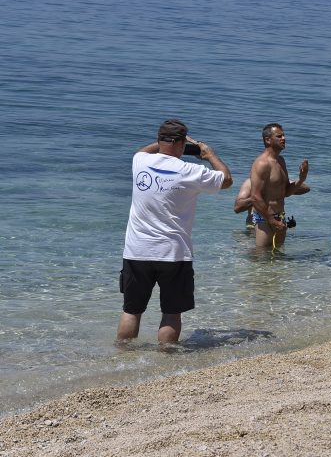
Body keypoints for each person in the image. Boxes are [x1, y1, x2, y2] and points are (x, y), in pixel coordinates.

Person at [117, 119, 233, 343]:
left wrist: (162, 143)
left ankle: (122, 358)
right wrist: (208, 154)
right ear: (181, 143)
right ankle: (166, 361)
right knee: (171, 313)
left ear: (160, 140)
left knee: (132, 310)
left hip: (136, 251)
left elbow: (142, 151)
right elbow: (226, 180)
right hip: (173, 253)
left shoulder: (140, 161)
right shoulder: (191, 170)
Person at [249, 123, 310, 248]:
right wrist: (271, 219)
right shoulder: (261, 163)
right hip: (264, 218)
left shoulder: (281, 161)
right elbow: (255, 197)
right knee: (261, 258)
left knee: (277, 258)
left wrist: (301, 178)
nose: (284, 138)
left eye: (284, 135)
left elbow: (286, 192)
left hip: (280, 216)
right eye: (279, 136)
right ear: (268, 140)